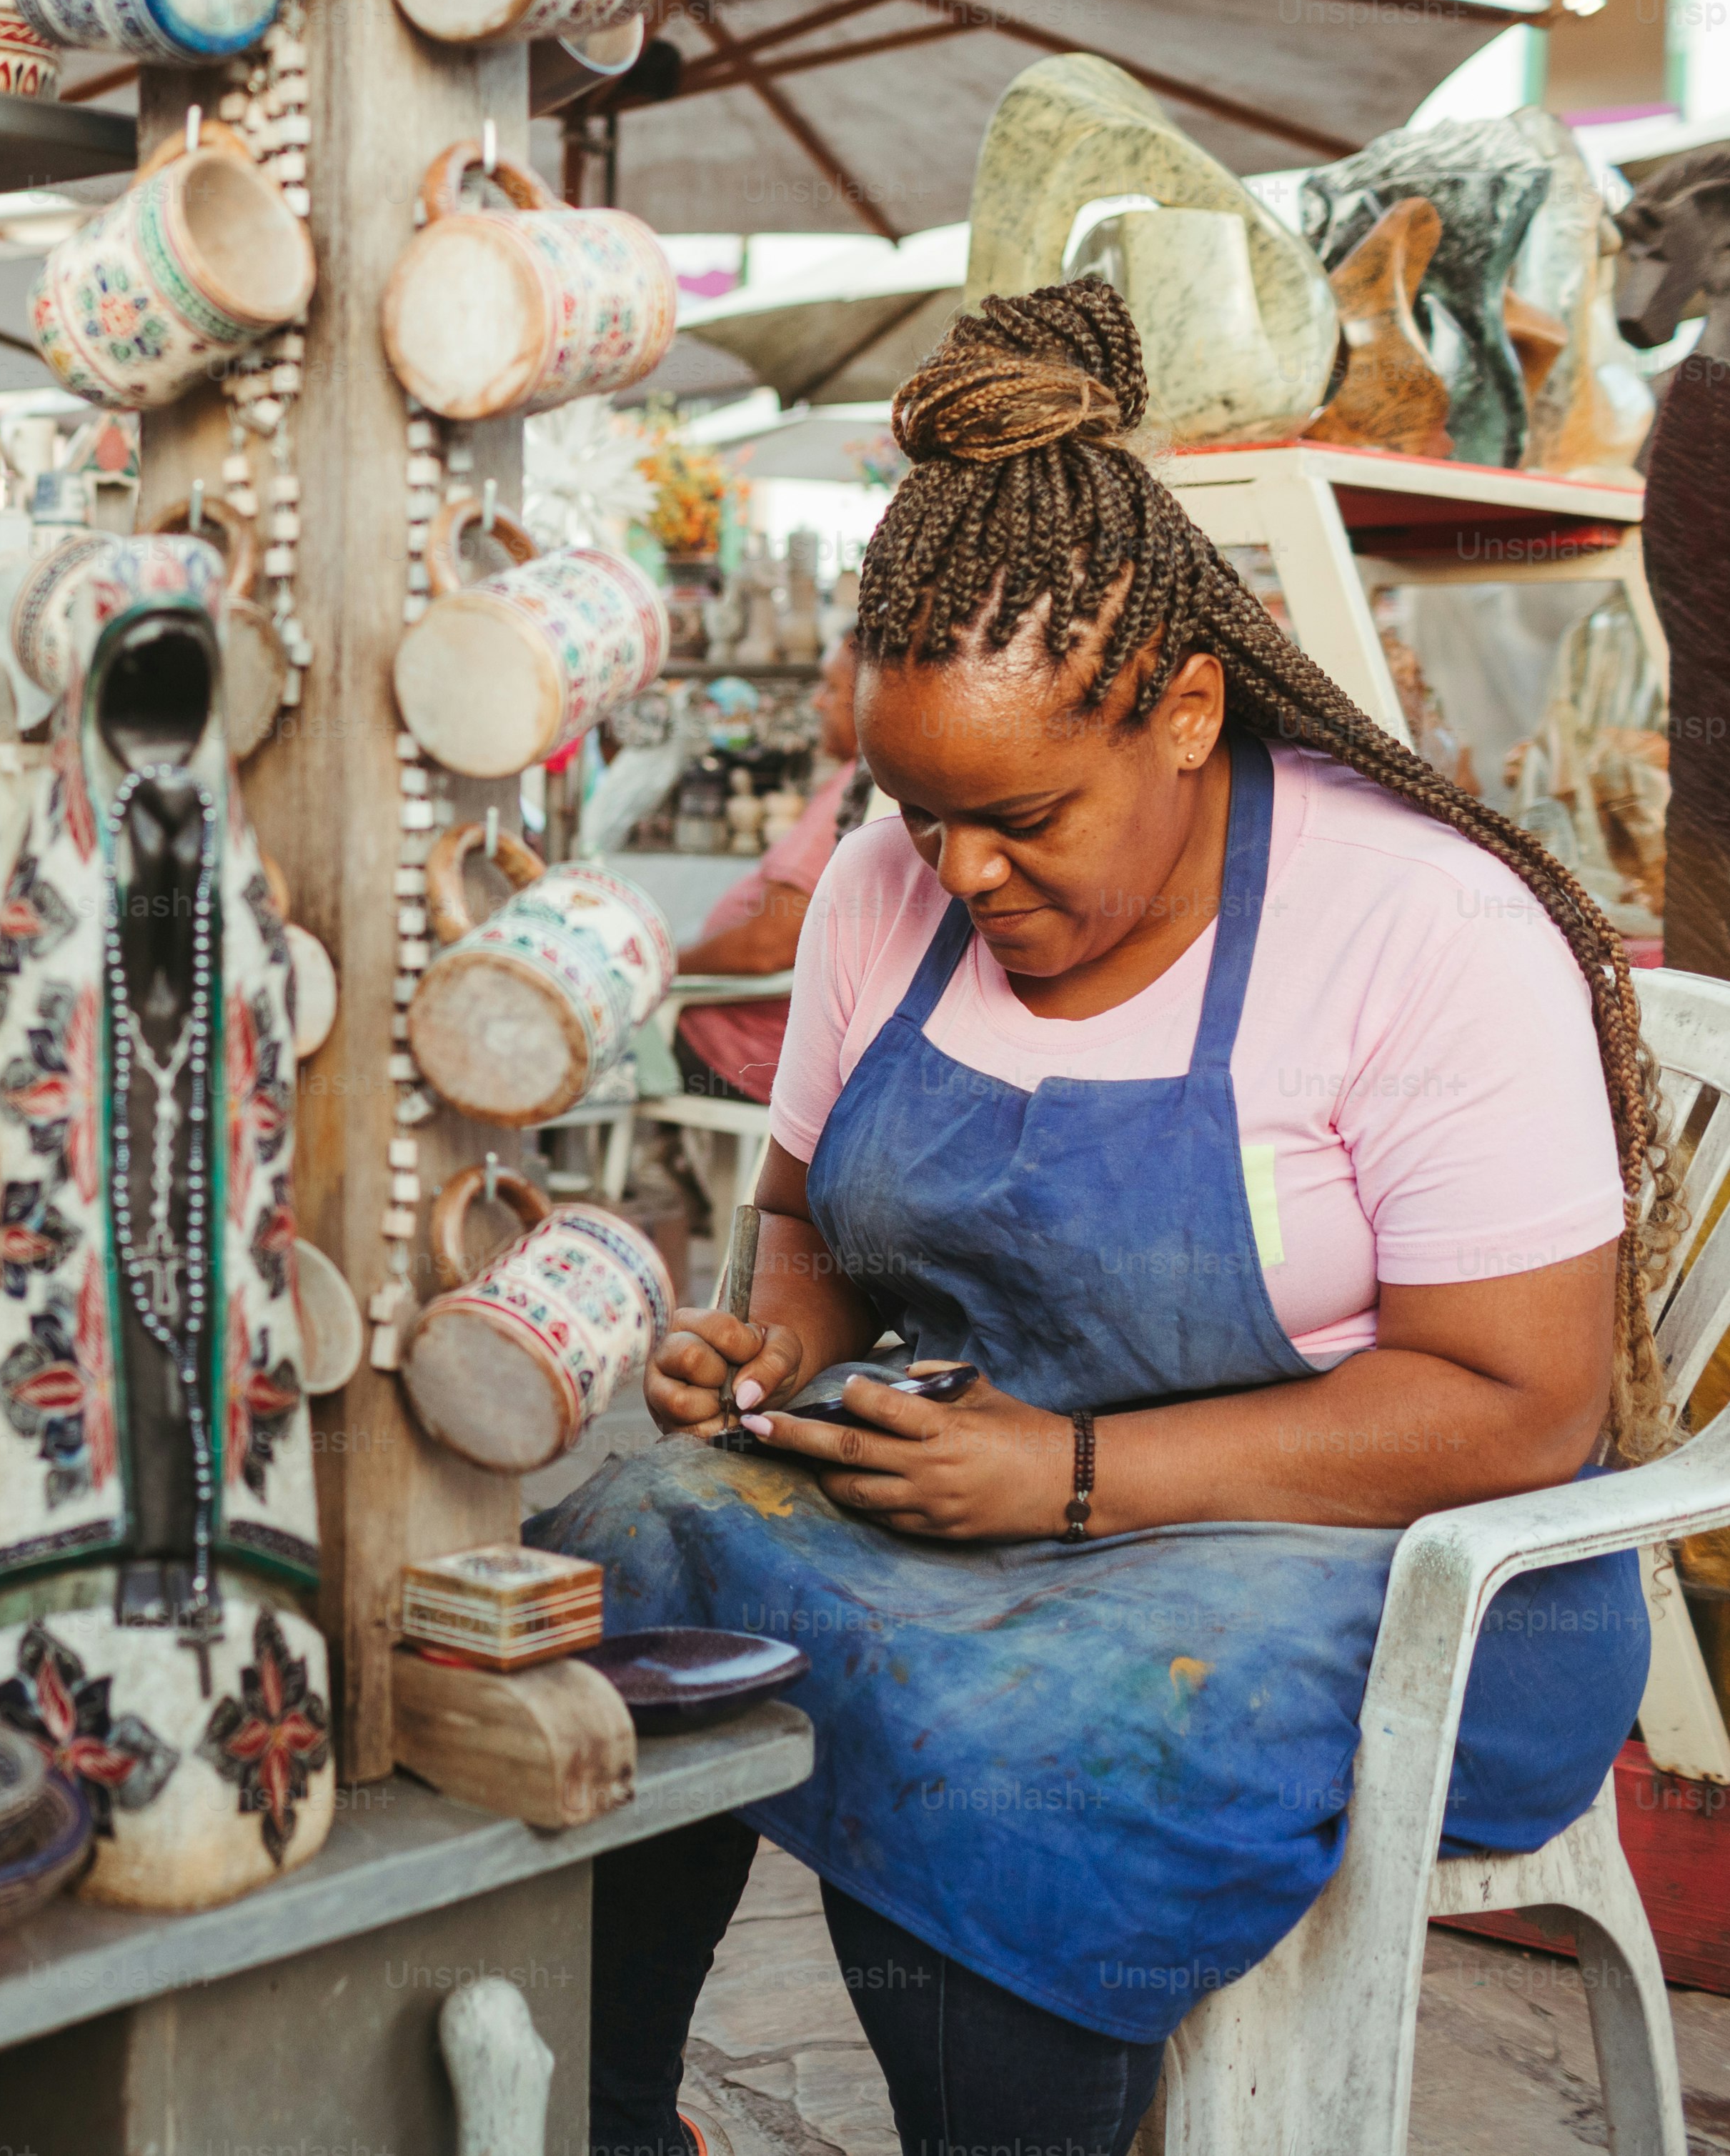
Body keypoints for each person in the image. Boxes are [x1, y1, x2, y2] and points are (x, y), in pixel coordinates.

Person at [540, 283, 1671, 2156]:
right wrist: (776, 1341)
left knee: (1022, 1749)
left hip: (1393, 1559)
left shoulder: (1426, 928)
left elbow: (1522, 1402)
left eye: (1022, 814)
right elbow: (804, 1217)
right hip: (1005, 1483)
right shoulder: (891, 884)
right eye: (915, 805)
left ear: (1187, 710)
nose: (955, 866)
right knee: (617, 1541)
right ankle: (615, 2124)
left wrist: (1075, 1477)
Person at [672, 637, 860, 1101]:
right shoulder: (859, 785)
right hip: (754, 1034)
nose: (817, 702)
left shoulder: (854, 792)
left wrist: (668, 969)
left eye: (831, 689)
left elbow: (769, 945)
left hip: (738, 1047)